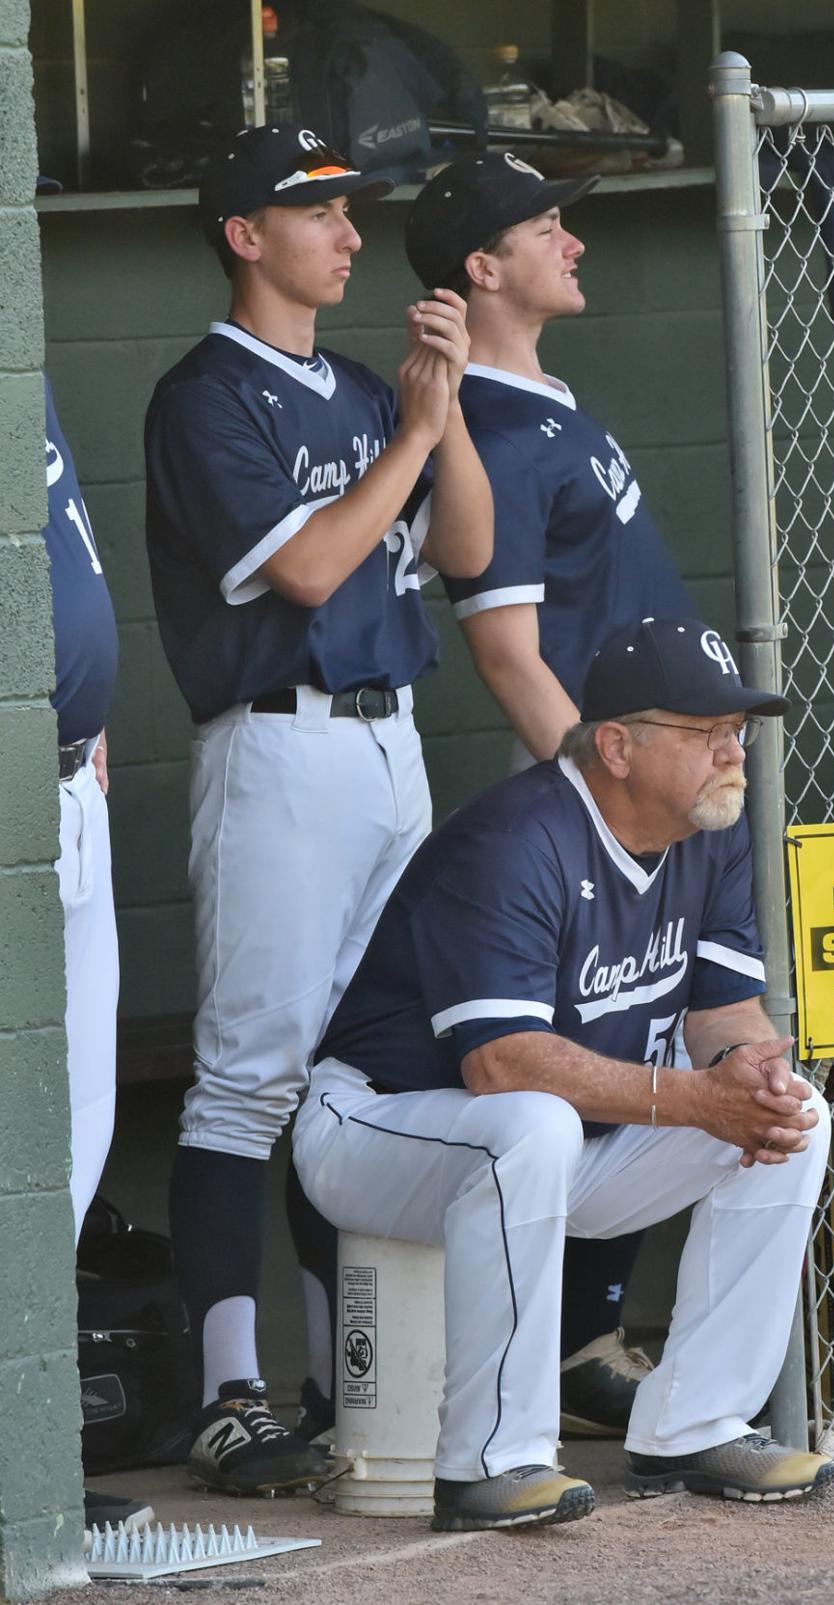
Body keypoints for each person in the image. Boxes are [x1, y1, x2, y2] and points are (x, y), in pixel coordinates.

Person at [293, 615, 834, 1532]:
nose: (732, 752)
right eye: (705, 733)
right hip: (377, 1129)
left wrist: (744, 1078)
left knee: (795, 1117)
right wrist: (696, 1100)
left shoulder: (708, 830)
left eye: (736, 731)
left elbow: (719, 1011)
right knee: (532, 1122)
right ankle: (490, 1464)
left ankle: (694, 1425)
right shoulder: (516, 837)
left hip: (555, 1148)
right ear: (618, 746)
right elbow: (500, 1063)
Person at [143, 123, 492, 1496]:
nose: (351, 234)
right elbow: (308, 572)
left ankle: (346, 1373)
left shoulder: (361, 384)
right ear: (246, 234)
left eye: (350, 210)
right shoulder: (204, 397)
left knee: (372, 1066)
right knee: (251, 1077)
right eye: (320, 211)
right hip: (276, 748)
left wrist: (442, 410)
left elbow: (460, 550)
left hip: (389, 743)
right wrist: (408, 430)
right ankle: (232, 1390)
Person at [402, 151, 698, 1436]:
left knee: (650, 1035)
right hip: (595, 779)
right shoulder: (492, 427)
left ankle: (589, 1341)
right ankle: (570, 1347)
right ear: (483, 267)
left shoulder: (543, 397)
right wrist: (603, 794)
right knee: (594, 1054)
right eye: (546, 226)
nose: (572, 240)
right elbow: (507, 647)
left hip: (643, 777)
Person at [43, 371, 154, 1535]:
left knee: (79, 1130)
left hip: (73, 786)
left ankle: (30, 1456)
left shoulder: (28, 361)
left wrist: (92, 697)